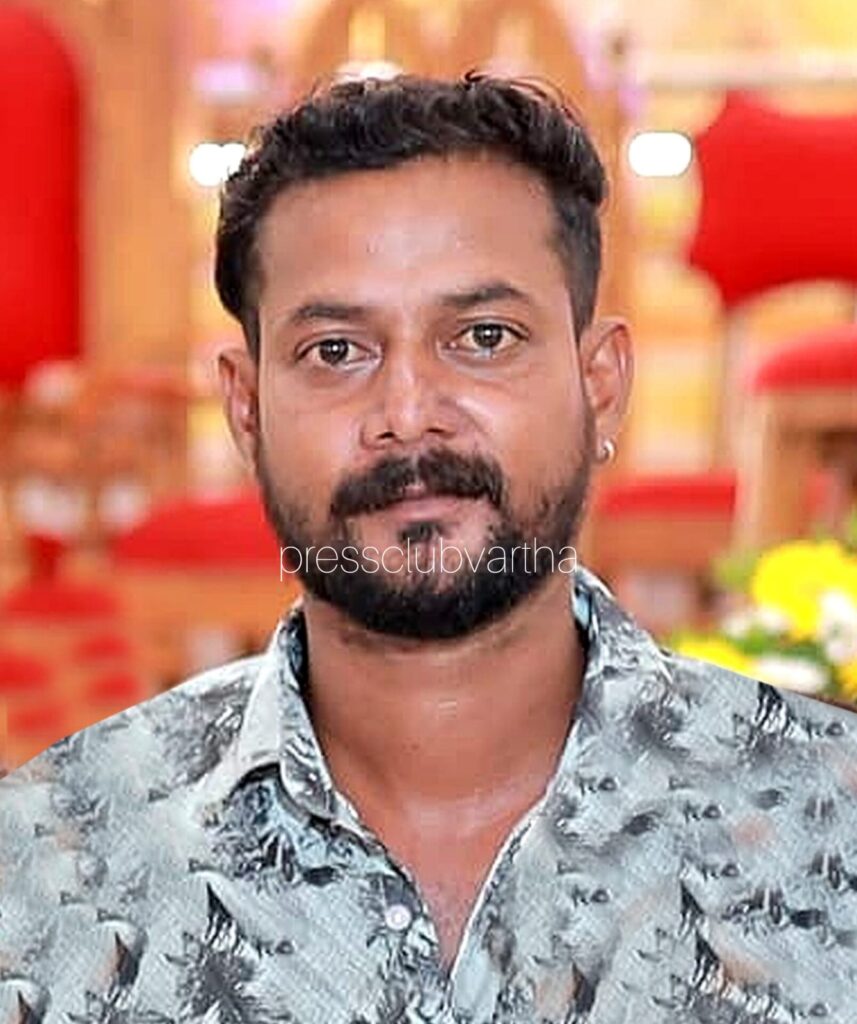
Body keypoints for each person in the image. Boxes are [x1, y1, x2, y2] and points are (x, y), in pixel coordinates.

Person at [1, 73, 854, 1024]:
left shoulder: (827, 830)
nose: (407, 415)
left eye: (483, 337)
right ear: (246, 410)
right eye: (335, 351)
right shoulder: (45, 871)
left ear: (600, 384)